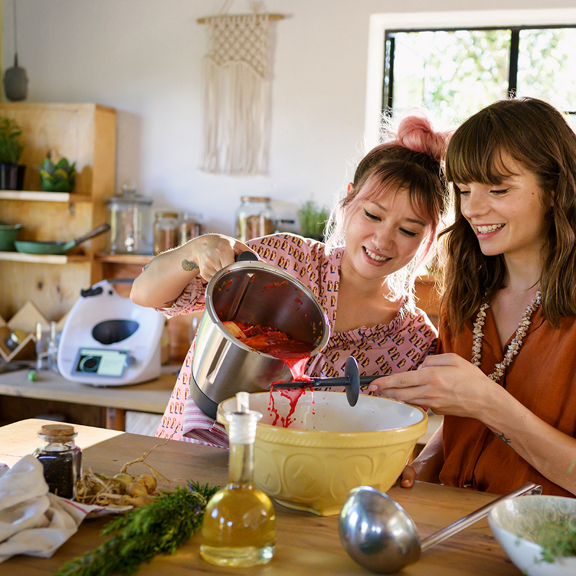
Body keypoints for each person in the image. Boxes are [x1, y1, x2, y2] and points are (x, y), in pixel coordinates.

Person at [131, 109, 452, 447]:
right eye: (372, 215)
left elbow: (394, 435)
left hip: (300, 490)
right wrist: (195, 251)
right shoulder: (282, 258)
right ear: (348, 199)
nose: (382, 240)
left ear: (430, 237)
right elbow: (145, 294)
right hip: (186, 467)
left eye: (407, 230)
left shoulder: (413, 342)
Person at [368, 97, 576, 497]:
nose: (473, 209)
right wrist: (415, 470)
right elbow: (461, 430)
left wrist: (487, 402)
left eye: (498, 189)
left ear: (554, 190)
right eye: (463, 190)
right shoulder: (467, 299)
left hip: (545, 547)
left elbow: (482, 410)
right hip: (454, 528)